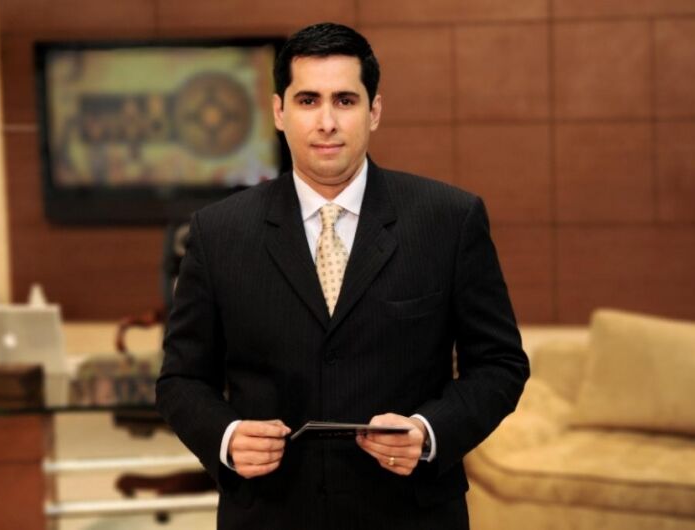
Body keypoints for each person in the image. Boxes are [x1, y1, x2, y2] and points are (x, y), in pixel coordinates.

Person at [156, 22, 529, 530]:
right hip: (269, 514)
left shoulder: (449, 219)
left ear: (374, 111)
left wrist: (430, 431)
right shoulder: (217, 232)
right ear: (279, 112)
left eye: (345, 101)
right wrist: (225, 436)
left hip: (409, 514)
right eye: (308, 100)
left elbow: (500, 364)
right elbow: (180, 380)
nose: (327, 122)